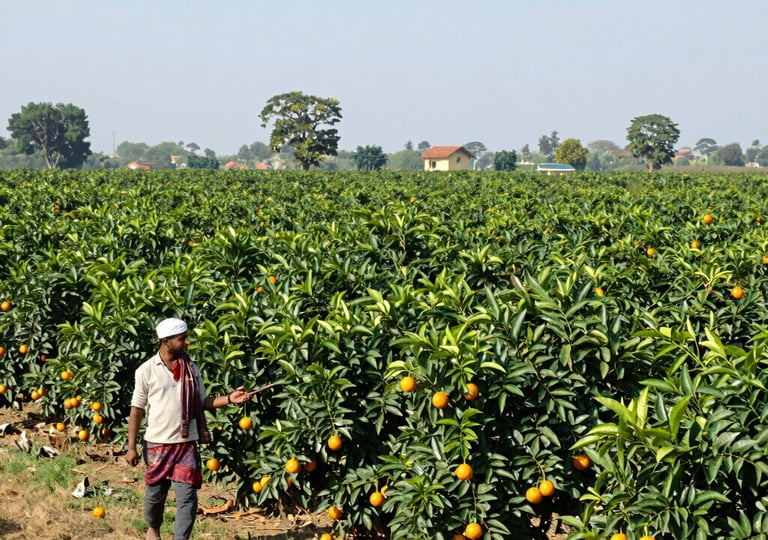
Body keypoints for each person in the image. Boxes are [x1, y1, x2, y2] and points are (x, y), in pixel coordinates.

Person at [125, 317, 256, 540]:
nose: (187, 343)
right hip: (157, 443)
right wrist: (131, 447)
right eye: (181, 339)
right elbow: (136, 409)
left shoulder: (191, 368)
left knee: (187, 497)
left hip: (185, 444)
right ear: (166, 341)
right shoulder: (146, 370)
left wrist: (229, 399)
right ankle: (153, 529)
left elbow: (203, 401)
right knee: (155, 496)